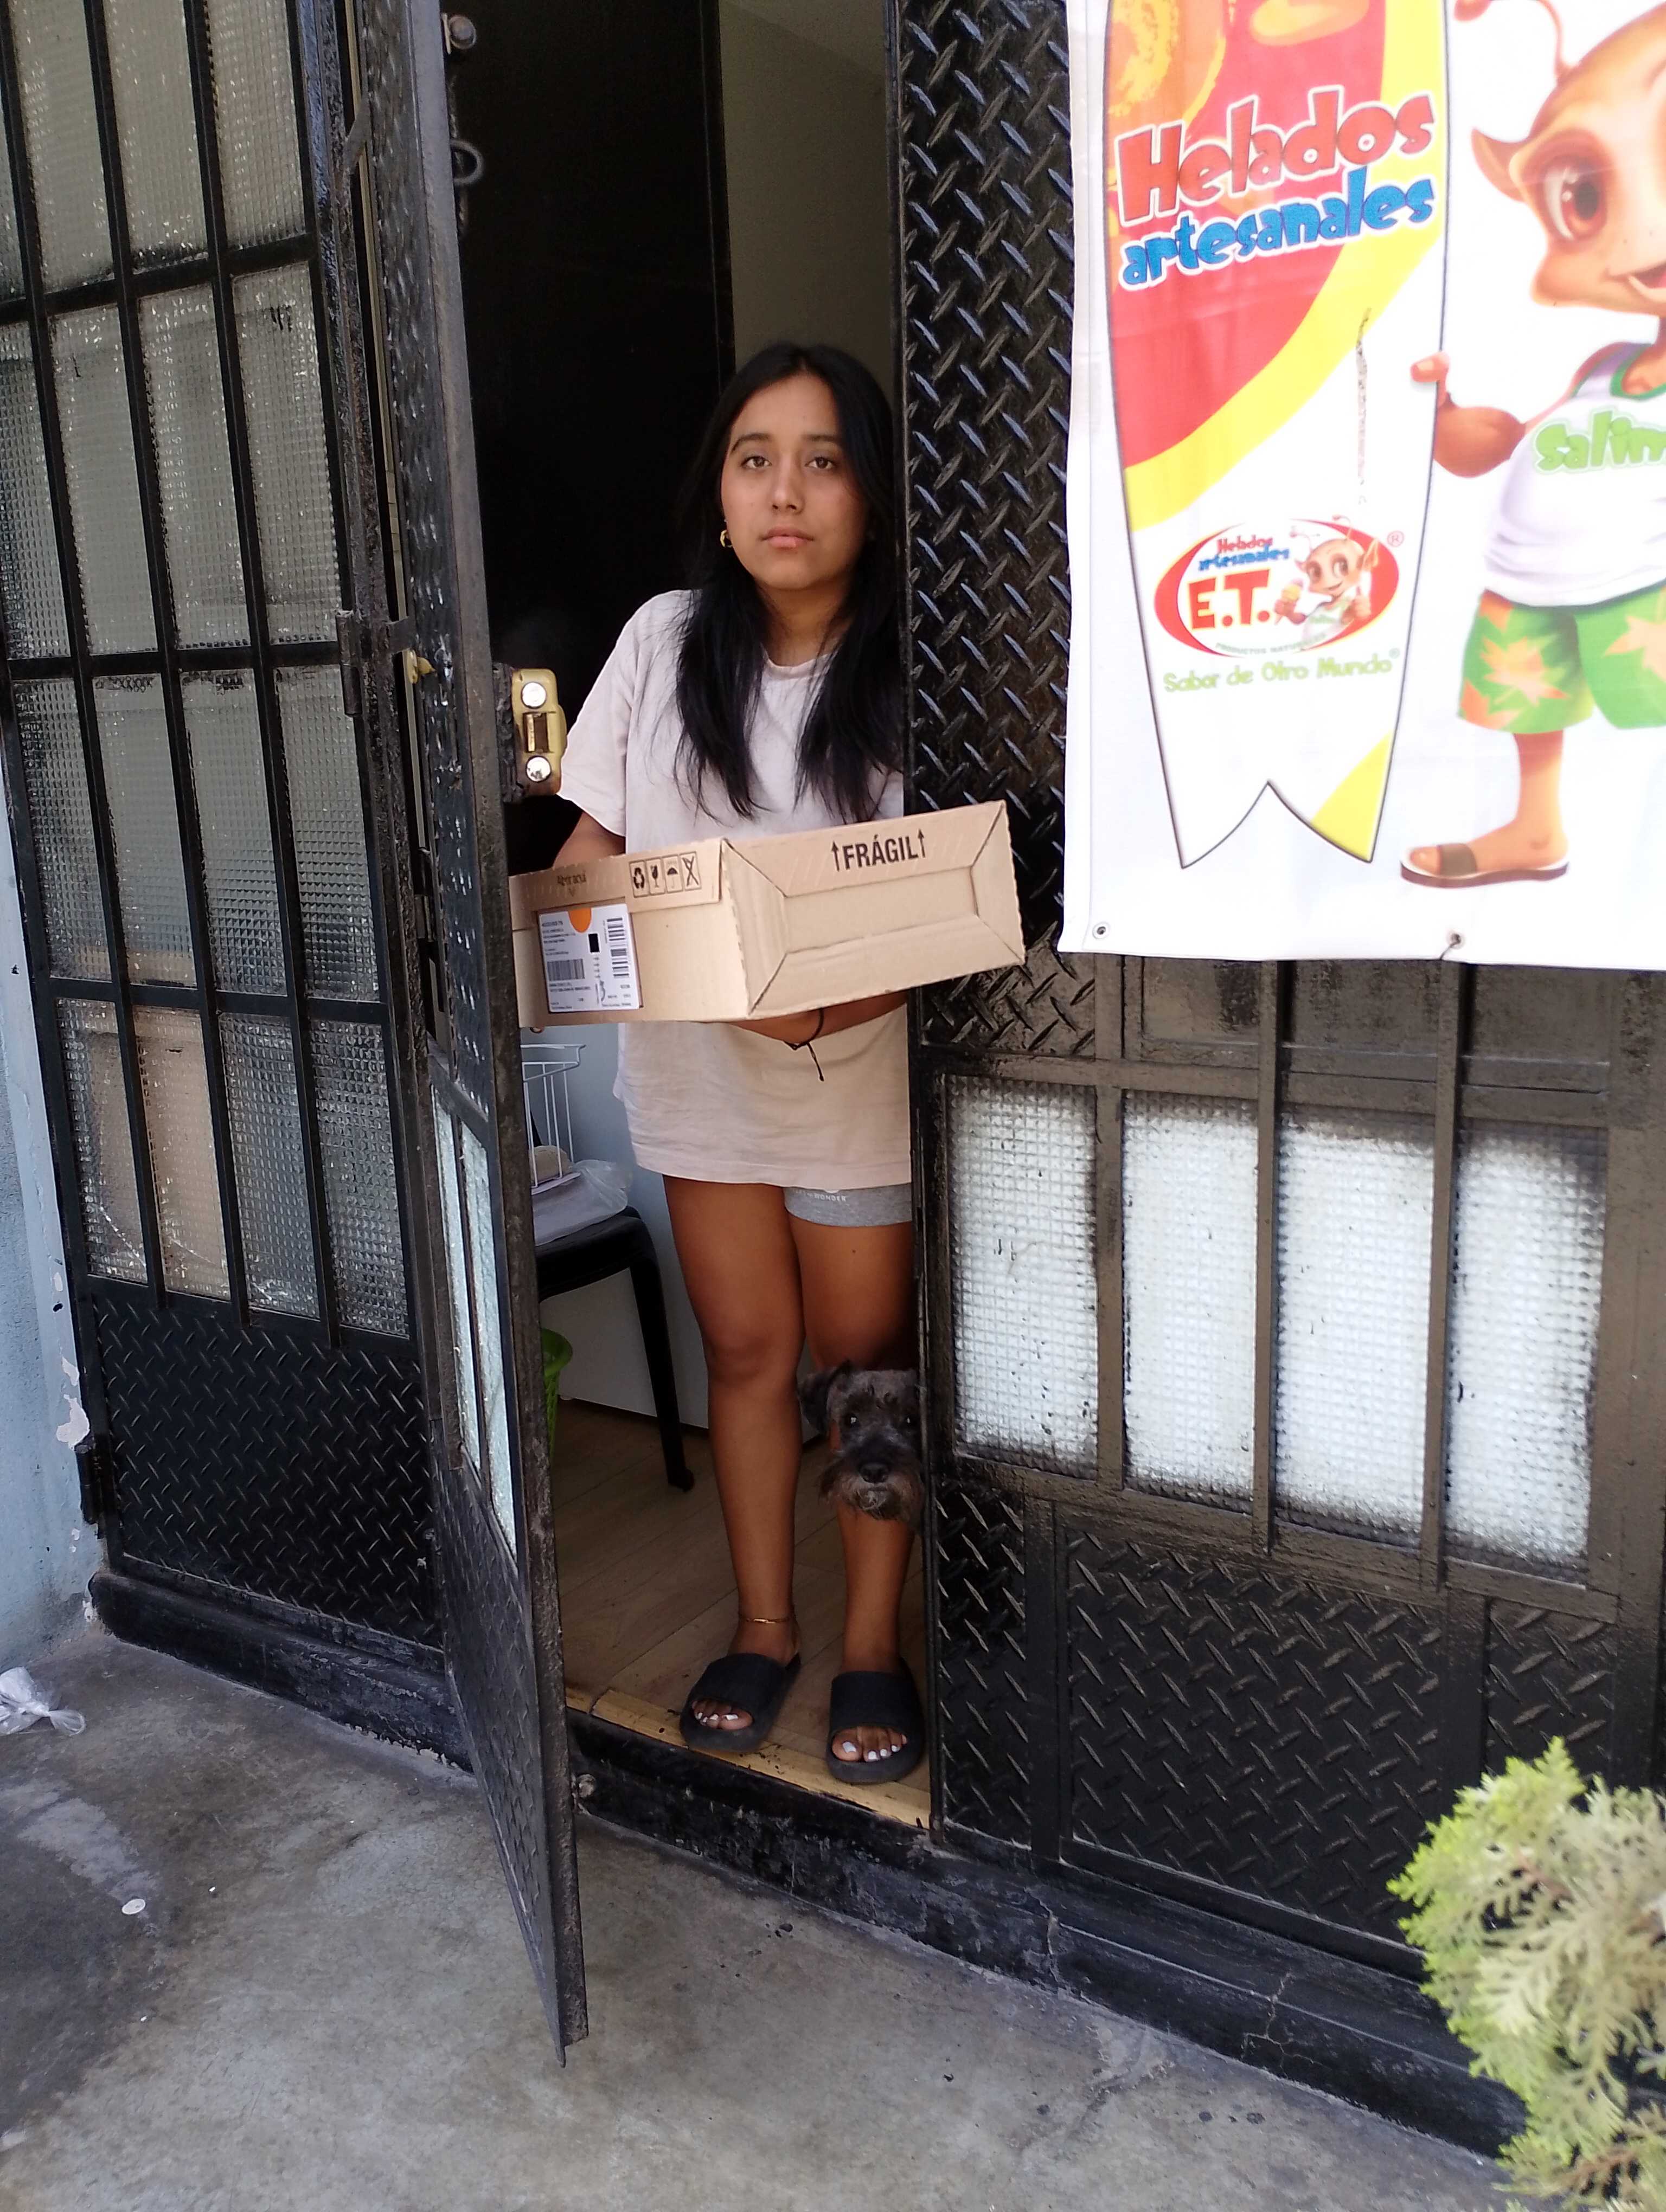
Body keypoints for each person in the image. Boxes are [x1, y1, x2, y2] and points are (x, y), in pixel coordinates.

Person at [553, 343, 922, 1783]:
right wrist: (570, 933)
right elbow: (592, 846)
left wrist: (825, 1009)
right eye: (754, 459)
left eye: (824, 462)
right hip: (699, 1063)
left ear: (872, 495)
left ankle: (874, 1645)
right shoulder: (662, 642)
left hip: (856, 1065)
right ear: (719, 490)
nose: (785, 493)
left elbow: (953, 895)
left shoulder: (914, 657)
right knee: (752, 1355)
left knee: (862, 1370)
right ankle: (767, 1626)